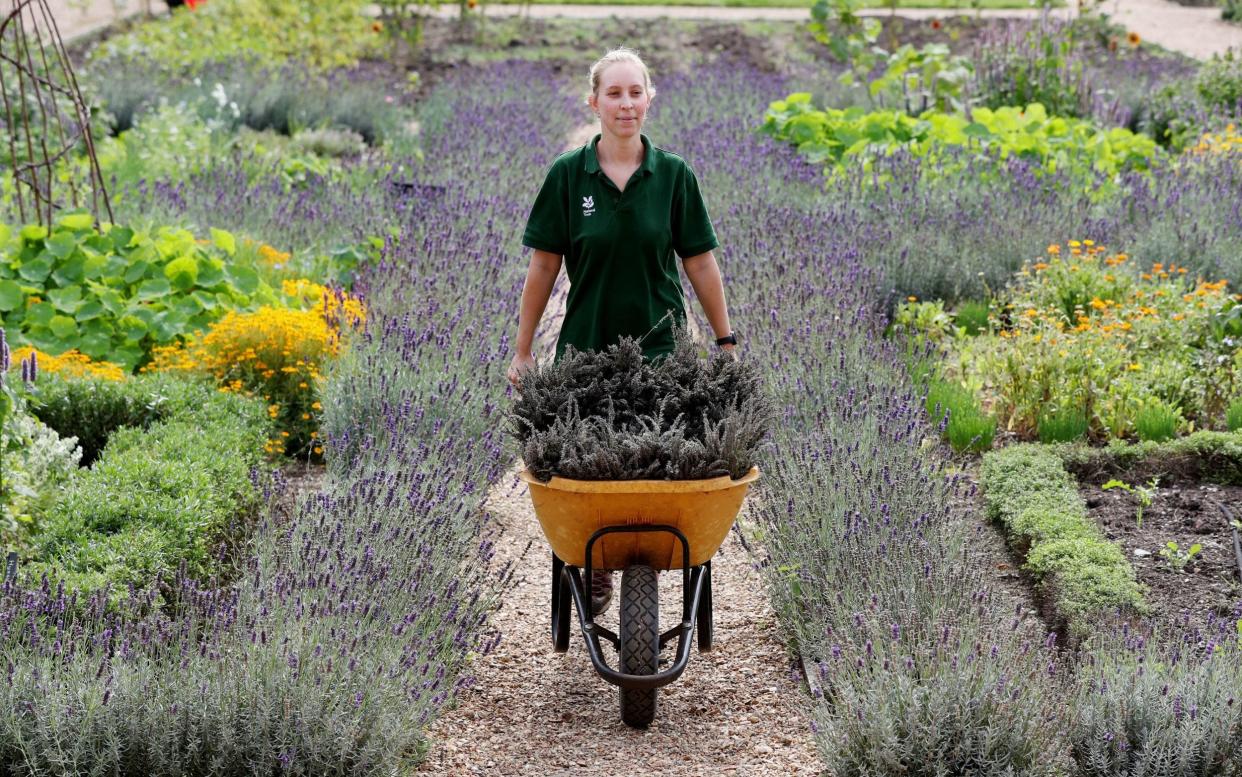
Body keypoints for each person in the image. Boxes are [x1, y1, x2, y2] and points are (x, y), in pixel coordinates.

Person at [507, 47, 737, 616]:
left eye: (635, 92)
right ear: (594, 101)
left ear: (650, 99)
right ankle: (597, 561)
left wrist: (726, 341)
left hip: (662, 356)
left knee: (663, 467)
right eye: (614, 93)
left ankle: (648, 556)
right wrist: (523, 351)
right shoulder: (567, 176)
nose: (625, 103)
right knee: (591, 468)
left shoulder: (675, 177)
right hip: (585, 354)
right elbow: (543, 266)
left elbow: (700, 263)